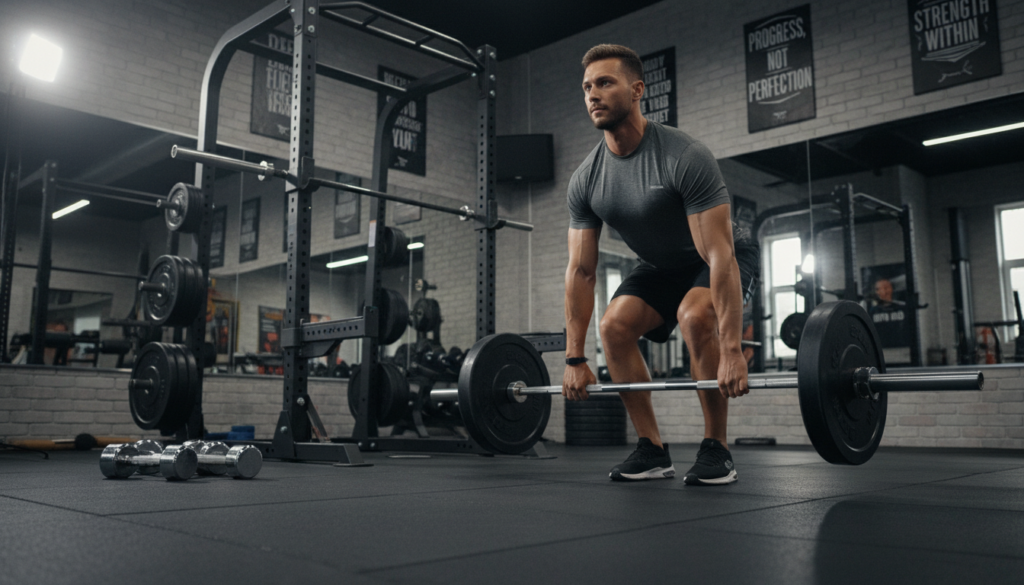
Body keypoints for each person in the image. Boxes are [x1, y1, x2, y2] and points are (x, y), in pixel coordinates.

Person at [563, 44, 760, 485]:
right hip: (659, 264)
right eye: (587, 87)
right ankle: (651, 449)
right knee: (614, 327)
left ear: (637, 90)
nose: (593, 94)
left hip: (721, 255)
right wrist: (575, 356)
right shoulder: (586, 179)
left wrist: (732, 351)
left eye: (605, 83)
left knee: (694, 316)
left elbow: (718, 255)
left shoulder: (683, 155)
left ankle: (717, 448)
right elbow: (581, 272)